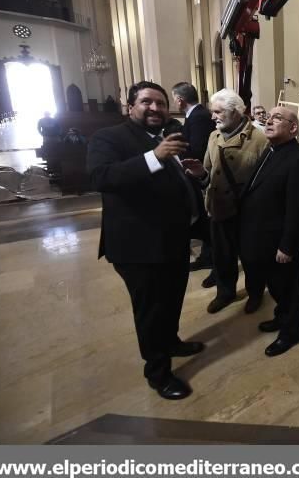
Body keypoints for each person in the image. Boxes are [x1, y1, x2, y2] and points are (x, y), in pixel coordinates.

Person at [87, 81, 205, 400]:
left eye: (161, 103)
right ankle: (158, 373)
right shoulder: (109, 138)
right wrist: (154, 156)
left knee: (173, 297)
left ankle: (171, 342)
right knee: (151, 309)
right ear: (131, 107)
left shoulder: (166, 138)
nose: (155, 108)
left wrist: (196, 174)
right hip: (138, 245)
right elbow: (101, 177)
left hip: (174, 240)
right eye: (147, 102)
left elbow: (175, 181)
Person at [182, 88, 269, 314]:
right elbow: (208, 175)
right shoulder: (213, 136)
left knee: (251, 258)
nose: (213, 117)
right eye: (213, 112)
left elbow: (268, 184)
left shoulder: (261, 140)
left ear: (237, 111)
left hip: (248, 213)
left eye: (218, 112)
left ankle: (255, 293)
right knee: (222, 256)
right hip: (218, 208)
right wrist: (200, 173)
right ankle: (225, 293)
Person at [238, 105, 299, 356]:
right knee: (276, 285)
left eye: (277, 118)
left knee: (290, 288)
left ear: (293, 128)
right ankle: (281, 318)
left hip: (281, 240)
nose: (269, 121)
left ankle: (291, 332)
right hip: (263, 236)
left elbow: (298, 208)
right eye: (268, 117)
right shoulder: (272, 151)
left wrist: (287, 245)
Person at [173, 82, 214, 277]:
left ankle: (211, 258)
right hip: (197, 172)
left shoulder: (198, 117)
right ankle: (207, 256)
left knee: (207, 217)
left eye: (174, 98)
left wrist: (176, 154)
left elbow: (197, 149)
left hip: (202, 173)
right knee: (205, 219)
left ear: (180, 100)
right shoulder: (195, 115)